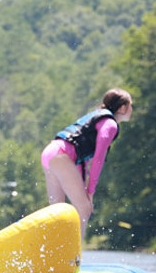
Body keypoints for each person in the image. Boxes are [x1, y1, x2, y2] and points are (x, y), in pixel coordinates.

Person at [41, 88, 133, 237]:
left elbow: (80, 161)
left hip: (50, 153)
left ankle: (52, 246)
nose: (132, 109)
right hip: (61, 156)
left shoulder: (97, 118)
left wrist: (84, 189)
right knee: (84, 209)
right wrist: (90, 192)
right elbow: (98, 159)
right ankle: (74, 250)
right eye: (131, 105)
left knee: (57, 211)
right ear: (122, 108)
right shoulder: (110, 124)